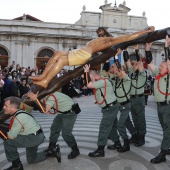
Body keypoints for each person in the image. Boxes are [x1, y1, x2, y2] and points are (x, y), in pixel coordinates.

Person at [29, 26, 155, 88]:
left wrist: (145, 31)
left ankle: (45, 81)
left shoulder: (110, 40)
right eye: (98, 32)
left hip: (84, 54)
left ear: (105, 32)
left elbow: (128, 37)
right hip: (81, 50)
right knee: (56, 53)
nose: (98, 33)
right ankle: (43, 76)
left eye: (100, 31)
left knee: (61, 60)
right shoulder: (100, 39)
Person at [0, 96, 54, 170]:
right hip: (37, 135)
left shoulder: (18, 117)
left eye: (6, 106)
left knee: (8, 142)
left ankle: (17, 166)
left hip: (33, 138)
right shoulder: (21, 111)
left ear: (12, 108)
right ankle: (51, 151)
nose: (3, 107)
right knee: (31, 159)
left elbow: (11, 136)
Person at [27, 90, 80, 160]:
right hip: (62, 113)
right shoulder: (45, 96)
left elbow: (45, 109)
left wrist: (35, 99)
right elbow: (39, 106)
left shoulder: (51, 97)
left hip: (70, 114)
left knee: (66, 134)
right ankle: (52, 147)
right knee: (54, 128)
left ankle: (75, 150)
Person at [83, 65, 120, 157]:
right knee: (110, 127)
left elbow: (89, 85)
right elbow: (87, 85)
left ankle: (100, 150)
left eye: (91, 78)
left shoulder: (102, 81)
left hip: (110, 108)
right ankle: (117, 143)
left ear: (94, 77)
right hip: (110, 107)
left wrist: (86, 72)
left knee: (103, 128)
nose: (91, 80)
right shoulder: (100, 81)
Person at [145, 35, 170, 164]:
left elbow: (169, 61)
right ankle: (168, 145)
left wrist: (166, 46)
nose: (159, 67)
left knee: (167, 129)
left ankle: (163, 153)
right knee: (165, 128)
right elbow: (150, 63)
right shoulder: (158, 74)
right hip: (160, 106)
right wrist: (148, 50)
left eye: (162, 66)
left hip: (167, 106)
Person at [107, 49, 137, 152]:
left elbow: (119, 68)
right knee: (117, 122)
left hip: (125, 106)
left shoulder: (126, 80)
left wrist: (116, 57)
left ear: (122, 71)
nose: (116, 71)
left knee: (121, 124)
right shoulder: (115, 80)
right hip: (117, 105)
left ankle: (126, 144)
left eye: (118, 70)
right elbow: (108, 72)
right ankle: (119, 141)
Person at [123, 45, 147, 147]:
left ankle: (142, 136)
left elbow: (140, 62)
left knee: (140, 118)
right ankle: (137, 134)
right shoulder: (132, 73)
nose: (134, 65)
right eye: (134, 65)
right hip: (132, 99)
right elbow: (127, 61)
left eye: (136, 64)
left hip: (139, 98)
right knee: (134, 118)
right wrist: (125, 49)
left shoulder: (142, 74)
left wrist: (136, 50)